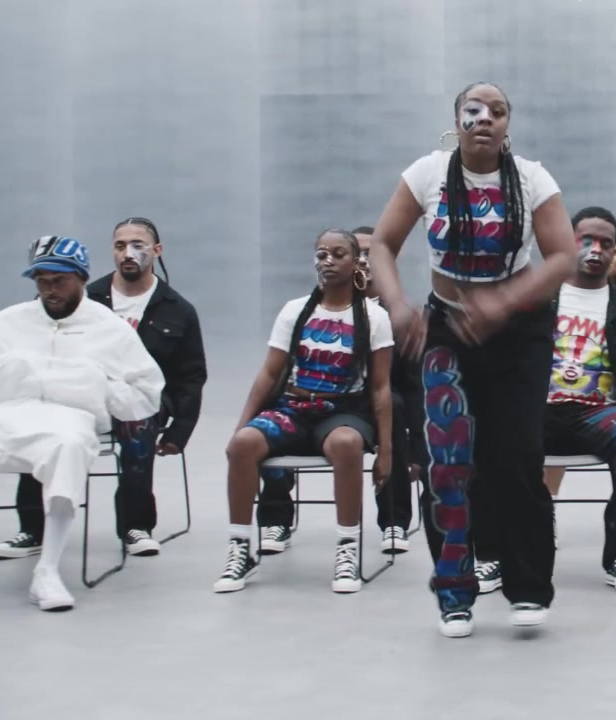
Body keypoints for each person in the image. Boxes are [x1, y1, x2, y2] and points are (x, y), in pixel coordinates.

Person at [366, 81, 577, 638]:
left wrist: (504, 302)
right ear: (457, 119)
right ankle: (454, 594)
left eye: (497, 112)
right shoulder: (428, 174)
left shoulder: (531, 179)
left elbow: (563, 256)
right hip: (447, 330)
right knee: (447, 462)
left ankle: (527, 589)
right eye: (474, 110)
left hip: (519, 332)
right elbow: (382, 244)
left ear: (508, 124)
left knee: (519, 458)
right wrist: (398, 306)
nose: (485, 119)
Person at [473, 207, 616, 595]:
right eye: (586, 241)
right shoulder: (535, 302)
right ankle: (492, 556)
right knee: (494, 436)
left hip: (599, 415)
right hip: (539, 410)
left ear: (614, 251)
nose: (595, 250)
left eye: (606, 244)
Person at [0, 218, 207, 559]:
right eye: (120, 246)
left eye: (137, 245)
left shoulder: (178, 310)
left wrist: (179, 432)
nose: (128, 253)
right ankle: (32, 529)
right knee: (40, 422)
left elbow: (191, 377)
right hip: (76, 391)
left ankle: (136, 526)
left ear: (157, 251)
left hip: (143, 396)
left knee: (137, 422)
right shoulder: (82, 296)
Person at [0, 236, 164, 611]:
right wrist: (10, 371)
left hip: (68, 417)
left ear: (81, 278)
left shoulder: (109, 328)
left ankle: (47, 571)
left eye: (59, 280)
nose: (50, 290)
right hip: (4, 414)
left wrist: (96, 384)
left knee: (69, 446)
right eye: (42, 281)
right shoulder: (11, 321)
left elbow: (146, 393)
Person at [215, 229, 393, 595]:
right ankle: (240, 548)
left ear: (355, 263)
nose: (328, 261)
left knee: (346, 443)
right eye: (321, 254)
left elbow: (380, 387)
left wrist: (386, 450)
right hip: (294, 408)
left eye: (338, 254)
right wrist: (240, 426)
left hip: (343, 410)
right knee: (243, 445)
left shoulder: (373, 317)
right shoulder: (295, 311)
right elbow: (269, 373)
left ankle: (347, 549)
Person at [254, 226, 423, 556]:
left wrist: (419, 451)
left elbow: (415, 388)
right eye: (358, 252)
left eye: (371, 254)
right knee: (271, 408)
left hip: (373, 407)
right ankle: (276, 518)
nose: (365, 260)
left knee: (395, 404)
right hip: (316, 401)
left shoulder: (398, 317)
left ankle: (394, 521)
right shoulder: (312, 309)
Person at [539, 219, 616, 520]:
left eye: (614, 250)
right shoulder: (553, 301)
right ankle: (544, 507)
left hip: (605, 410)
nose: (597, 252)